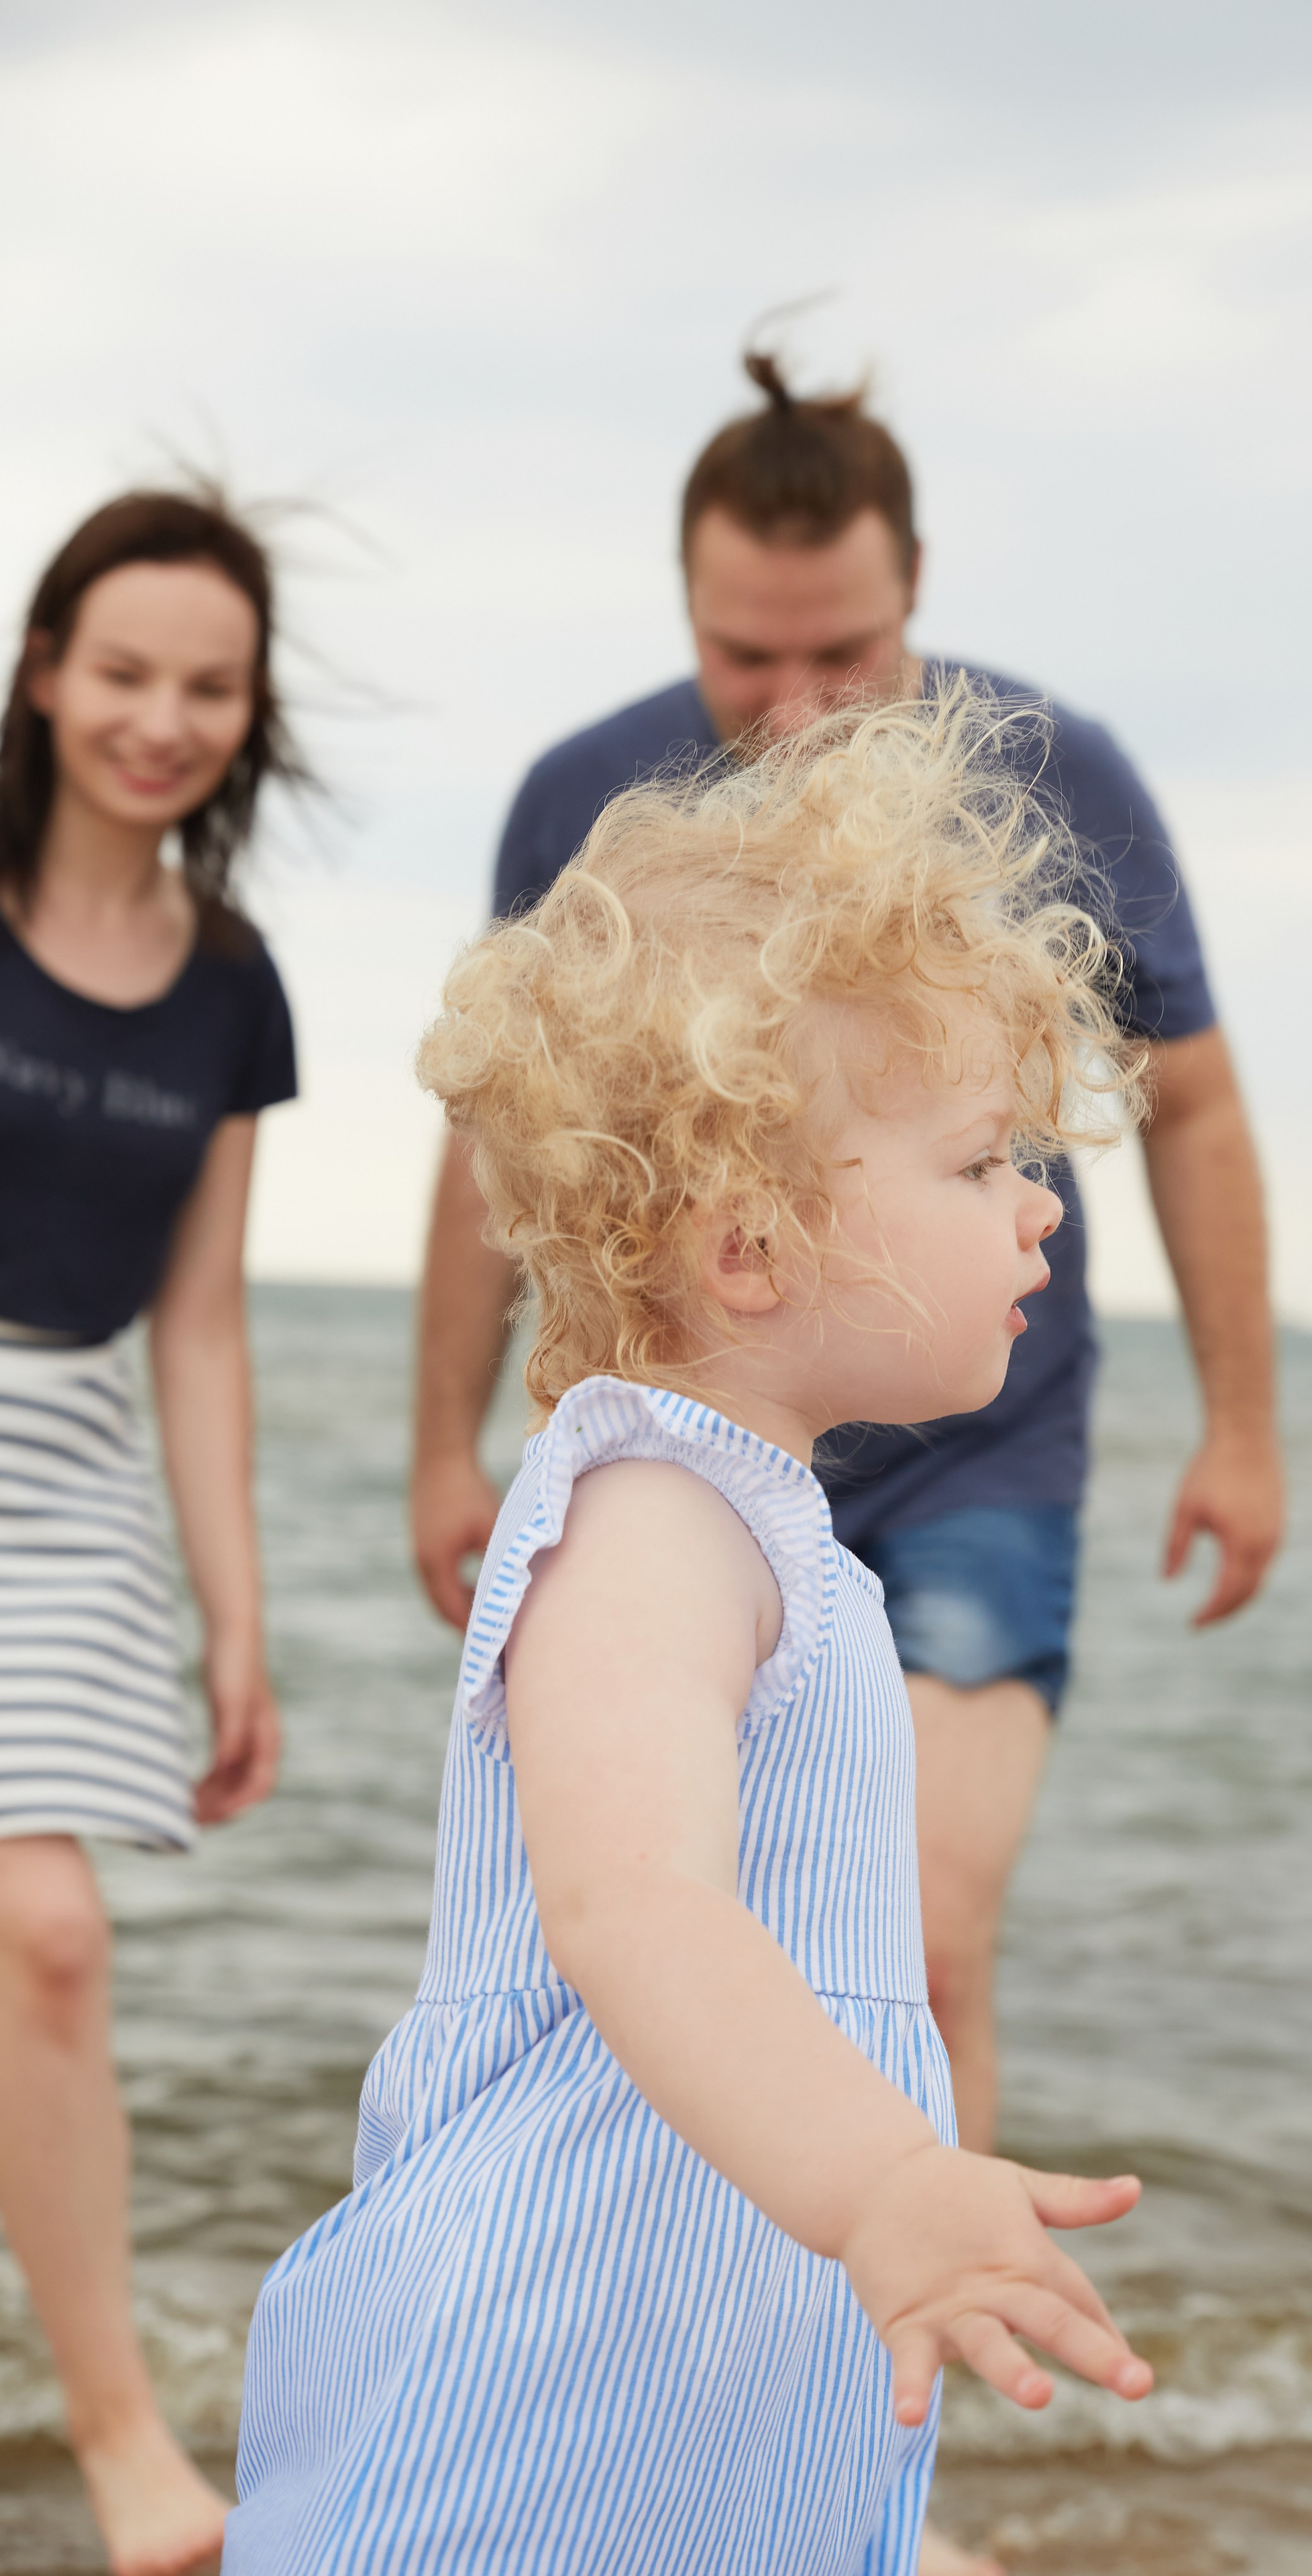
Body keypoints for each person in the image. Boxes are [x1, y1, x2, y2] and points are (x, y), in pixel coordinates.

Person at [229, 683, 1153, 2576]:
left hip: (711, 2322)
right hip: (562, 2345)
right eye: (981, 1161)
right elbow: (634, 1906)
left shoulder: (762, 1518)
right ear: (751, 1249)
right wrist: (884, 2180)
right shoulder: (652, 1514)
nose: (1038, 1214)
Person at [413, 354, 1284, 2162]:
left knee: (920, 1949)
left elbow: (1192, 1105)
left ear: (915, 589)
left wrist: (1245, 1427)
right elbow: (500, 1138)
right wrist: (443, 1445)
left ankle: (924, 2312)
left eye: (848, 652)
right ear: (686, 602)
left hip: (976, 1441)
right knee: (660, 1944)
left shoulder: (1059, 777)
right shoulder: (583, 796)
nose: (800, 704)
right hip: (687, 1430)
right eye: (748, 656)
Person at [0, 490, 302, 2576]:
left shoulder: (233, 983)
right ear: (45, 672)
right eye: (123, 671)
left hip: (76, 1458)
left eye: (207, 685)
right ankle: (118, 2440)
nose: (160, 719)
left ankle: (122, 2444)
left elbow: (202, 1323)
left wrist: (236, 1615)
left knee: (49, 1935)